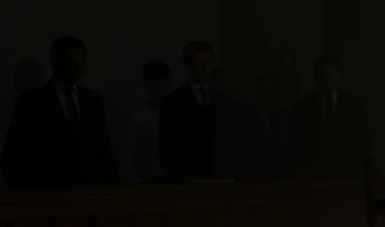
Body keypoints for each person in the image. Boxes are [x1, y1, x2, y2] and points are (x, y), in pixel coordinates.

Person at [1, 35, 117, 188]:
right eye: (71, 63)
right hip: (47, 194)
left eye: (81, 64)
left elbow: (103, 150)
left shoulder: (93, 101)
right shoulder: (31, 103)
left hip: (89, 194)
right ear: (56, 63)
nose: (78, 69)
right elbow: (14, 156)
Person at [158, 41, 248, 180]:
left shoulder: (225, 102)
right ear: (188, 65)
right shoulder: (173, 103)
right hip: (189, 182)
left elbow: (234, 143)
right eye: (198, 62)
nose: (205, 67)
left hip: (223, 180)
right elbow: (167, 149)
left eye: (208, 61)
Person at [290, 54, 367, 180]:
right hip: (314, 170)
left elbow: (360, 138)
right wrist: (299, 167)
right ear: (316, 78)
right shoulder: (303, 105)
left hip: (347, 170)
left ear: (338, 77)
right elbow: (297, 139)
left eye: (331, 76)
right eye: (322, 76)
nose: (326, 80)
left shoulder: (353, 105)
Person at [123, 59, 171, 183]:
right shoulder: (137, 117)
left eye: (160, 83)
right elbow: (128, 155)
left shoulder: (177, 115)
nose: (156, 89)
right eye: (151, 84)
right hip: (146, 183)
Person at [247, 72, 290, 180]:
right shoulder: (247, 116)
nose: (269, 93)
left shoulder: (288, 116)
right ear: (258, 92)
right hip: (256, 176)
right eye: (265, 89)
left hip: (284, 175)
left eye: (273, 89)